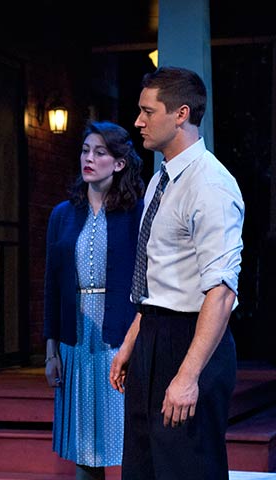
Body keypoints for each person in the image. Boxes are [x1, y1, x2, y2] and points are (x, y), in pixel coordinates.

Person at [109, 66, 245, 480]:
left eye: (148, 112)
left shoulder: (211, 185)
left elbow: (221, 291)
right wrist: (134, 338)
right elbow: (158, 274)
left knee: (187, 467)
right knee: (142, 468)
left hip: (192, 338)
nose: (138, 122)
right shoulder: (159, 182)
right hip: (153, 333)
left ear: (181, 114)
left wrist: (188, 375)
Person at [44, 121, 145, 480]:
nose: (89, 158)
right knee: (84, 445)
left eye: (100, 152)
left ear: (118, 163)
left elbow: (144, 280)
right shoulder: (63, 214)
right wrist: (51, 349)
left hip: (118, 335)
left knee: (127, 438)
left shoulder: (135, 213)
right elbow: (52, 286)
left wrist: (134, 343)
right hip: (75, 338)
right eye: (86, 151)